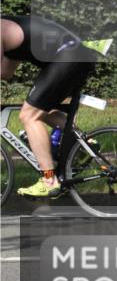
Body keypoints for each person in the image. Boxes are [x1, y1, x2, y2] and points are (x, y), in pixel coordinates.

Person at [1, 14, 98, 198]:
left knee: (28, 116)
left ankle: (49, 181)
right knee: (40, 110)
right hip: (75, 56)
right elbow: (5, 72)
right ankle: (85, 145)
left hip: (68, 57)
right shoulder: (8, 29)